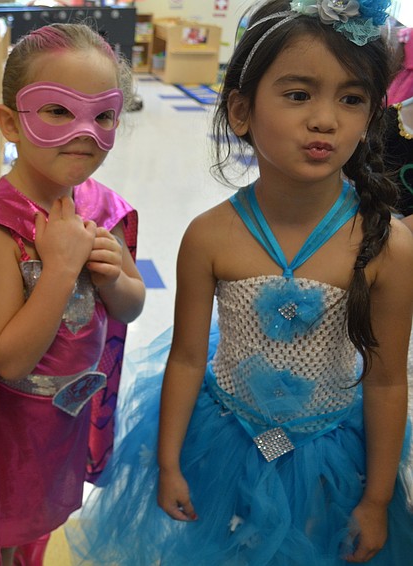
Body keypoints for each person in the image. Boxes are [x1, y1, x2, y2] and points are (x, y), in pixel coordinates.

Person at [69, 0, 413, 564]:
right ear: (241, 111)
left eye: (351, 99)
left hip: (333, 456)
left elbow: (384, 382)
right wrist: (171, 462)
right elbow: (185, 359)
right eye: (299, 95)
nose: (326, 119)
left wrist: (376, 500)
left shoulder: (388, 246)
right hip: (226, 441)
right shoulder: (209, 236)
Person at [0, 22, 146, 566]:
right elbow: (8, 357)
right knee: (6, 522)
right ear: (10, 122)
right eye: (57, 110)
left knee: (46, 516)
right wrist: (58, 270)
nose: (84, 131)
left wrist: (111, 278)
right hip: (14, 426)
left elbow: (133, 304)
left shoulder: (103, 208)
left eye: (102, 115)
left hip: (69, 413)